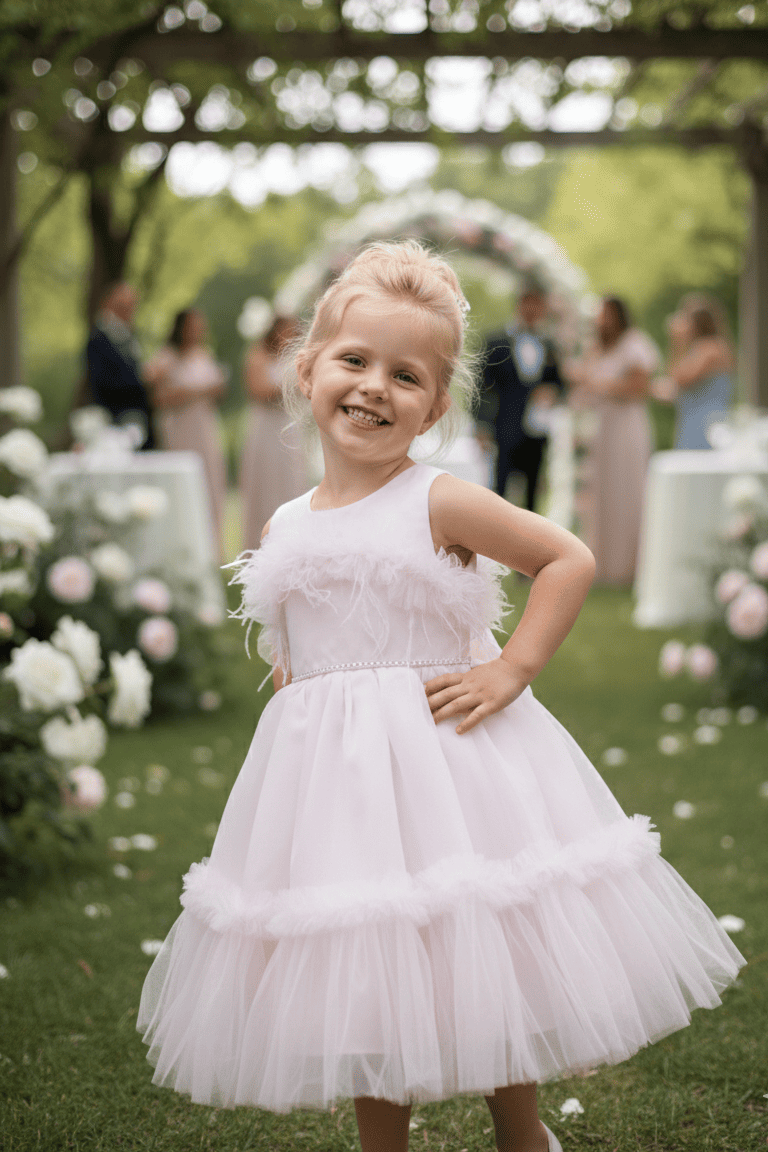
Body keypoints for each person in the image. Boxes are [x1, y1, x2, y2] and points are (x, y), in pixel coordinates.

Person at [137, 242, 743, 1152]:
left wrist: (512, 668)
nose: (374, 387)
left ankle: (522, 1133)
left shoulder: (438, 501)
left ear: (435, 404)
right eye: (354, 361)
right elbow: (298, 636)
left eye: (406, 375)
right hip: (341, 782)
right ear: (306, 371)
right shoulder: (285, 522)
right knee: (370, 959)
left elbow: (565, 558)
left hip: (448, 761)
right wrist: (298, 686)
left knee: (479, 941)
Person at [566, 297, 659, 586]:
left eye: (605, 314)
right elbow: (583, 384)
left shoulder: (635, 344)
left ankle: (630, 567)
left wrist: (598, 384)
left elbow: (640, 388)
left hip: (628, 428)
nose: (600, 321)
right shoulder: (596, 348)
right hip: (602, 429)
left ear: (618, 315)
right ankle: (603, 565)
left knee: (628, 492)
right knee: (601, 494)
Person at [144, 309, 227, 561]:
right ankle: (180, 548)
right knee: (183, 483)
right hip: (179, 429)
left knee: (210, 483)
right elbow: (158, 398)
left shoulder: (204, 355)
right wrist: (198, 391)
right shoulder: (166, 357)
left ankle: (210, 551)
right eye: (193, 325)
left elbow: (217, 393)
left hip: (205, 427)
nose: (198, 330)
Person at [477, 284, 564, 512]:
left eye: (538, 305)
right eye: (528, 303)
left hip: (537, 429)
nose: (532, 309)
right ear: (519, 304)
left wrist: (552, 392)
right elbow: (482, 386)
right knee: (499, 489)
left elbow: (559, 383)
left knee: (534, 491)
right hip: (504, 426)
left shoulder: (550, 345)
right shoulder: (496, 342)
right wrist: (482, 424)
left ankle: (529, 544)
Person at [239, 314, 308, 550]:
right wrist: (290, 387)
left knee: (291, 483)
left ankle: (291, 544)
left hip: (290, 427)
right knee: (265, 485)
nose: (287, 335)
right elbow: (257, 390)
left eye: (291, 331)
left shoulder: (299, 358)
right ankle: (259, 545)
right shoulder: (259, 355)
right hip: (266, 427)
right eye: (283, 330)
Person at [652, 296, 735, 449]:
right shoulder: (698, 350)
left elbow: (680, 379)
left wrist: (676, 342)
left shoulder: (712, 349)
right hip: (692, 424)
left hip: (707, 427)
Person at [84, 282, 155, 448]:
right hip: (116, 420)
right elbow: (102, 382)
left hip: (139, 416)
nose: (130, 310)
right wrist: (141, 378)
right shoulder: (99, 340)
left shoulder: (130, 336)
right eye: (125, 306)